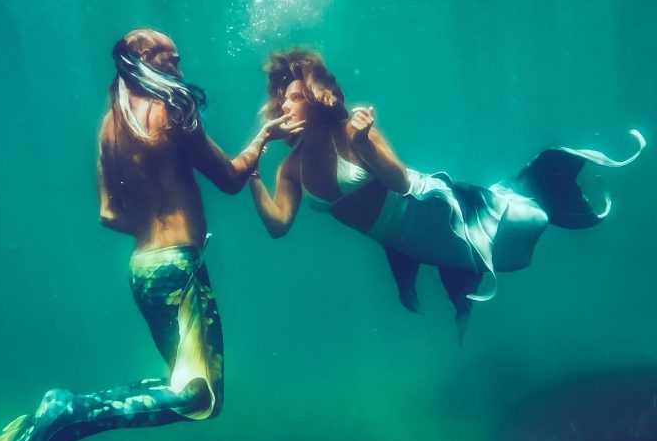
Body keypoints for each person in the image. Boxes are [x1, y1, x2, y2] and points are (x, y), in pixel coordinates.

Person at [0, 29, 301, 441]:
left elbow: (107, 213)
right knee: (199, 397)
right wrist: (265, 137)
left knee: (182, 385)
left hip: (143, 269)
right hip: (179, 270)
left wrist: (162, 231)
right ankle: (69, 410)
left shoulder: (110, 124)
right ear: (142, 58)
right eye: (171, 59)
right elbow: (232, 179)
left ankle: (66, 419)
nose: (179, 68)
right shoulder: (176, 107)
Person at [247, 49, 645, 342]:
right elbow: (278, 225)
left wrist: (365, 142)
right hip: (403, 241)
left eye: (295, 95)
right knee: (493, 259)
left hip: (430, 209)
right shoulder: (289, 168)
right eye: (282, 97)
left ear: (318, 96)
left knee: (527, 218)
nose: (285, 103)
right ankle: (569, 192)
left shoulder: (350, 131)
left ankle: (568, 180)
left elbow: (400, 183)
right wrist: (252, 175)